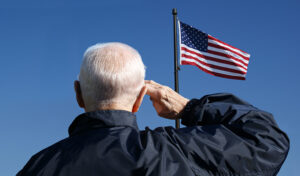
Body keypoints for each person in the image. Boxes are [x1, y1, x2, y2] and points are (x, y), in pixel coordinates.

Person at [17, 42, 289, 176]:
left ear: (78, 94)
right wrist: (189, 108)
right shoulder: (172, 153)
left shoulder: (37, 166)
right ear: (139, 100)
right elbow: (267, 139)